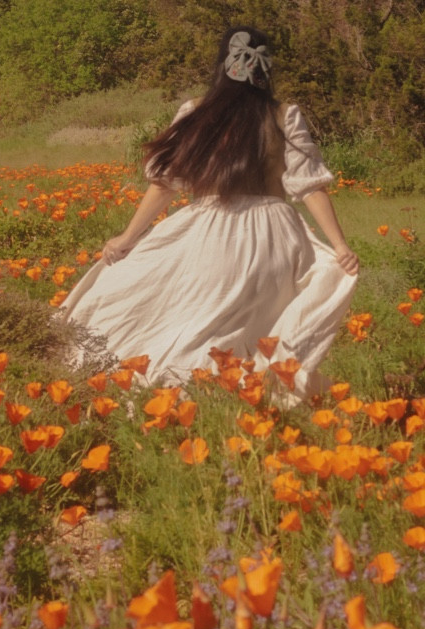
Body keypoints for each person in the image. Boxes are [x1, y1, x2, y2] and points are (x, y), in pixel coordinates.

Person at [50, 27, 360, 397]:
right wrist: (339, 246)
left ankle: (183, 388)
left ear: (221, 66)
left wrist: (128, 238)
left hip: (211, 230)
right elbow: (311, 187)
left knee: (188, 314)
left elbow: (164, 183)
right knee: (248, 329)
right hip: (274, 239)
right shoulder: (284, 115)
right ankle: (235, 390)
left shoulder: (197, 112)